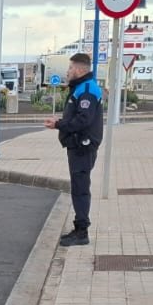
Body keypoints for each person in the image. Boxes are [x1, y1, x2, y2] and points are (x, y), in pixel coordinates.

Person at [44, 51, 104, 246]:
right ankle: (79, 228)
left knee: (80, 188)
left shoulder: (87, 89)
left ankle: (81, 232)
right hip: (77, 145)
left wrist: (59, 125)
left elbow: (83, 120)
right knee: (78, 187)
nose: (68, 71)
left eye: (70, 68)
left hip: (83, 146)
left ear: (79, 70)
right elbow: (77, 117)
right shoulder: (81, 88)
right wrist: (60, 123)